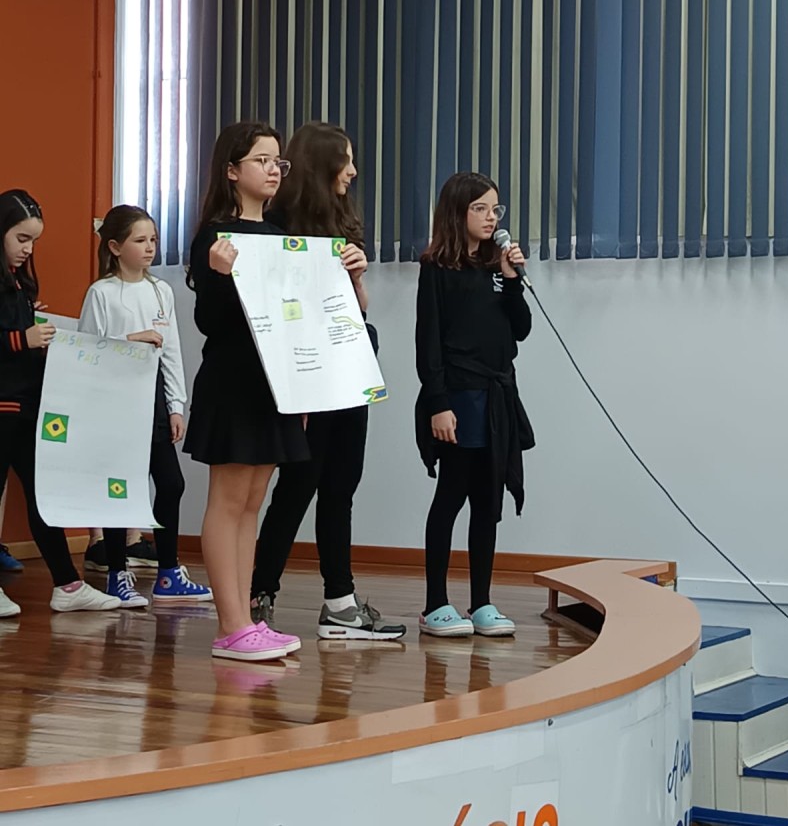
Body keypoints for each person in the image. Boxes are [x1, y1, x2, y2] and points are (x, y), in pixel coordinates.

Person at [250, 122, 406, 641]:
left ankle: (340, 602)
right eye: (346, 160)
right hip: (307, 377)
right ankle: (258, 594)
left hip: (349, 369)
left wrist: (356, 277)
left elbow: (357, 311)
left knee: (342, 486)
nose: (353, 171)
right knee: (298, 486)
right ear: (321, 165)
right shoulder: (276, 226)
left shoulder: (342, 222)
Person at [184, 121, 307, 662]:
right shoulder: (214, 236)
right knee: (229, 499)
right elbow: (210, 322)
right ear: (232, 170)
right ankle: (230, 625)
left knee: (252, 502)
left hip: (274, 383)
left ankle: (245, 620)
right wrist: (218, 274)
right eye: (262, 160)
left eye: (278, 161)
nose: (273, 170)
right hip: (233, 381)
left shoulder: (281, 233)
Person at [414, 173, 534, 637]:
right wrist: (438, 403)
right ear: (457, 212)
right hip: (458, 397)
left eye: (495, 210)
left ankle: (482, 602)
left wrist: (512, 279)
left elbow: (520, 329)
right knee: (451, 496)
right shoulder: (437, 268)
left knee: (488, 500)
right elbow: (428, 342)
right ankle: (435, 604)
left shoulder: (497, 268)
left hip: (497, 397)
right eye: (480, 209)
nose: (491, 218)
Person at [78, 205, 213, 607]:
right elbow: (86, 351)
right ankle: (117, 574)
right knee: (120, 488)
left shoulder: (160, 291)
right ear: (115, 247)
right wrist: (130, 340)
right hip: (114, 401)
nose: (150, 247)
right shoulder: (101, 293)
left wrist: (176, 404)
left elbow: (171, 352)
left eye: (153, 239)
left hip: (152, 398)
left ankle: (169, 573)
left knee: (171, 483)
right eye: (140, 240)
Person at [0, 190, 120, 616]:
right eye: (21, 238)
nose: (28, 249)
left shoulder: (18, 283)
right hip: (4, 406)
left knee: (44, 496)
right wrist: (22, 338)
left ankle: (68, 584)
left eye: (33, 240)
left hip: (27, 404)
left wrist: (32, 331)